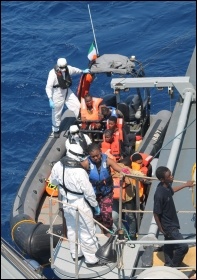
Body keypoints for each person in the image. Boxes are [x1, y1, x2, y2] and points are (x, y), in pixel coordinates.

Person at [49, 144, 107, 267]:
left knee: (72, 229)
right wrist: (95, 206)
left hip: (66, 203)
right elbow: (89, 193)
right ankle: (92, 260)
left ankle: (76, 253)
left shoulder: (57, 166)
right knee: (87, 231)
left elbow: (53, 182)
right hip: (80, 204)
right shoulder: (80, 172)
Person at [80, 142, 131, 236]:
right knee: (97, 214)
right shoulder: (86, 163)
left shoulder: (107, 160)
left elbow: (117, 167)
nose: (95, 158)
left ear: (100, 152)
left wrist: (125, 171)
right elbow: (77, 171)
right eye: (93, 157)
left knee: (107, 214)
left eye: (97, 155)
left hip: (106, 192)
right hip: (93, 193)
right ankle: (103, 229)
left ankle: (108, 230)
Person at [153, 166, 194, 267]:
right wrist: (160, 228)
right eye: (169, 176)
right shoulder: (159, 193)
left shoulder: (166, 187)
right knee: (183, 247)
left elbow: (172, 191)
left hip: (172, 222)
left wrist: (185, 185)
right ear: (163, 179)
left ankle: (168, 264)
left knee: (169, 245)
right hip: (169, 226)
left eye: (171, 174)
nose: (172, 177)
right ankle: (174, 267)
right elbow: (156, 212)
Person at [45, 57, 90, 138]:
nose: (64, 69)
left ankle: (81, 123)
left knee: (77, 105)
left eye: (64, 67)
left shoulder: (68, 69)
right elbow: (48, 87)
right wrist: (50, 99)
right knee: (56, 113)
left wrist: (82, 71)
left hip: (66, 91)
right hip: (57, 93)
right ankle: (56, 130)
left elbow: (75, 70)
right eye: (62, 67)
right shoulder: (52, 74)